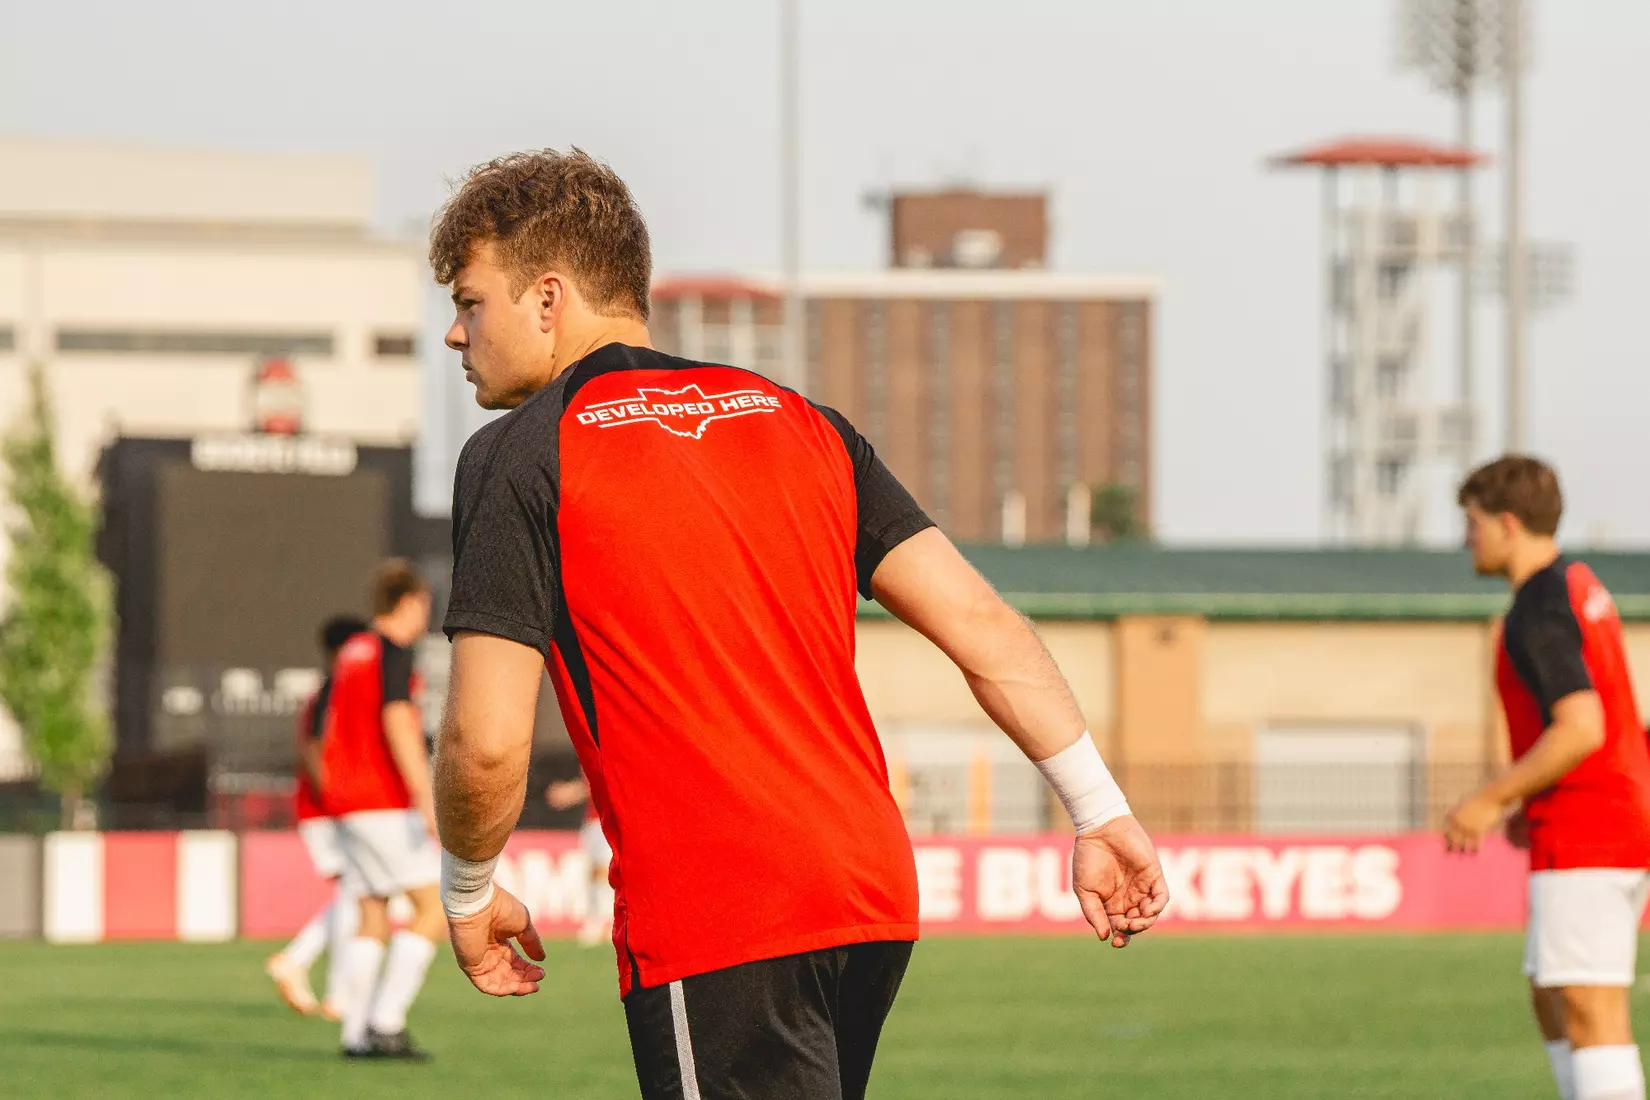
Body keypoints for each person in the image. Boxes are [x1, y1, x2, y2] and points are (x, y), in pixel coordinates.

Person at [428, 148, 1168, 1100]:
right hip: (868, 895)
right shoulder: (800, 420)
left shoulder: (520, 454)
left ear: (547, 297)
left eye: (469, 299)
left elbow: (484, 744)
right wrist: (1098, 809)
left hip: (724, 912)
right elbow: (983, 622)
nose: (455, 333)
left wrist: (466, 890)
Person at [1445, 456, 1650, 1100]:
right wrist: (1525, 794)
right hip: (1601, 818)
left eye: (1473, 522)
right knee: (1553, 994)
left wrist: (1488, 797)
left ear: (1507, 523)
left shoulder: (1538, 603)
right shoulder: (1577, 583)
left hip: (1591, 826)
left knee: (1591, 1009)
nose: (1466, 538)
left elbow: (1581, 725)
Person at [321, 560, 445, 1060]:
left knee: (372, 913)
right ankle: (387, 1021)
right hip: (381, 800)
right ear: (410, 602)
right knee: (433, 906)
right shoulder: (392, 651)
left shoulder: (352, 650)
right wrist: (425, 794)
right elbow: (398, 720)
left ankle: (355, 1035)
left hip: (345, 801)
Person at [265, 613, 369, 1020]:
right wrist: (336, 797)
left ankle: (300, 962)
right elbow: (313, 748)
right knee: (355, 894)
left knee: (355, 893)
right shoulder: (333, 690)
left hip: (329, 809)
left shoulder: (335, 689)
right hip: (328, 811)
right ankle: (335, 992)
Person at [545, 772, 614, 947]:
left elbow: (599, 781)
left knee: (604, 870)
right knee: (592, 872)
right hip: (592, 820)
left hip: (609, 818)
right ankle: (596, 920)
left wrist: (569, 793)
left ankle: (607, 920)